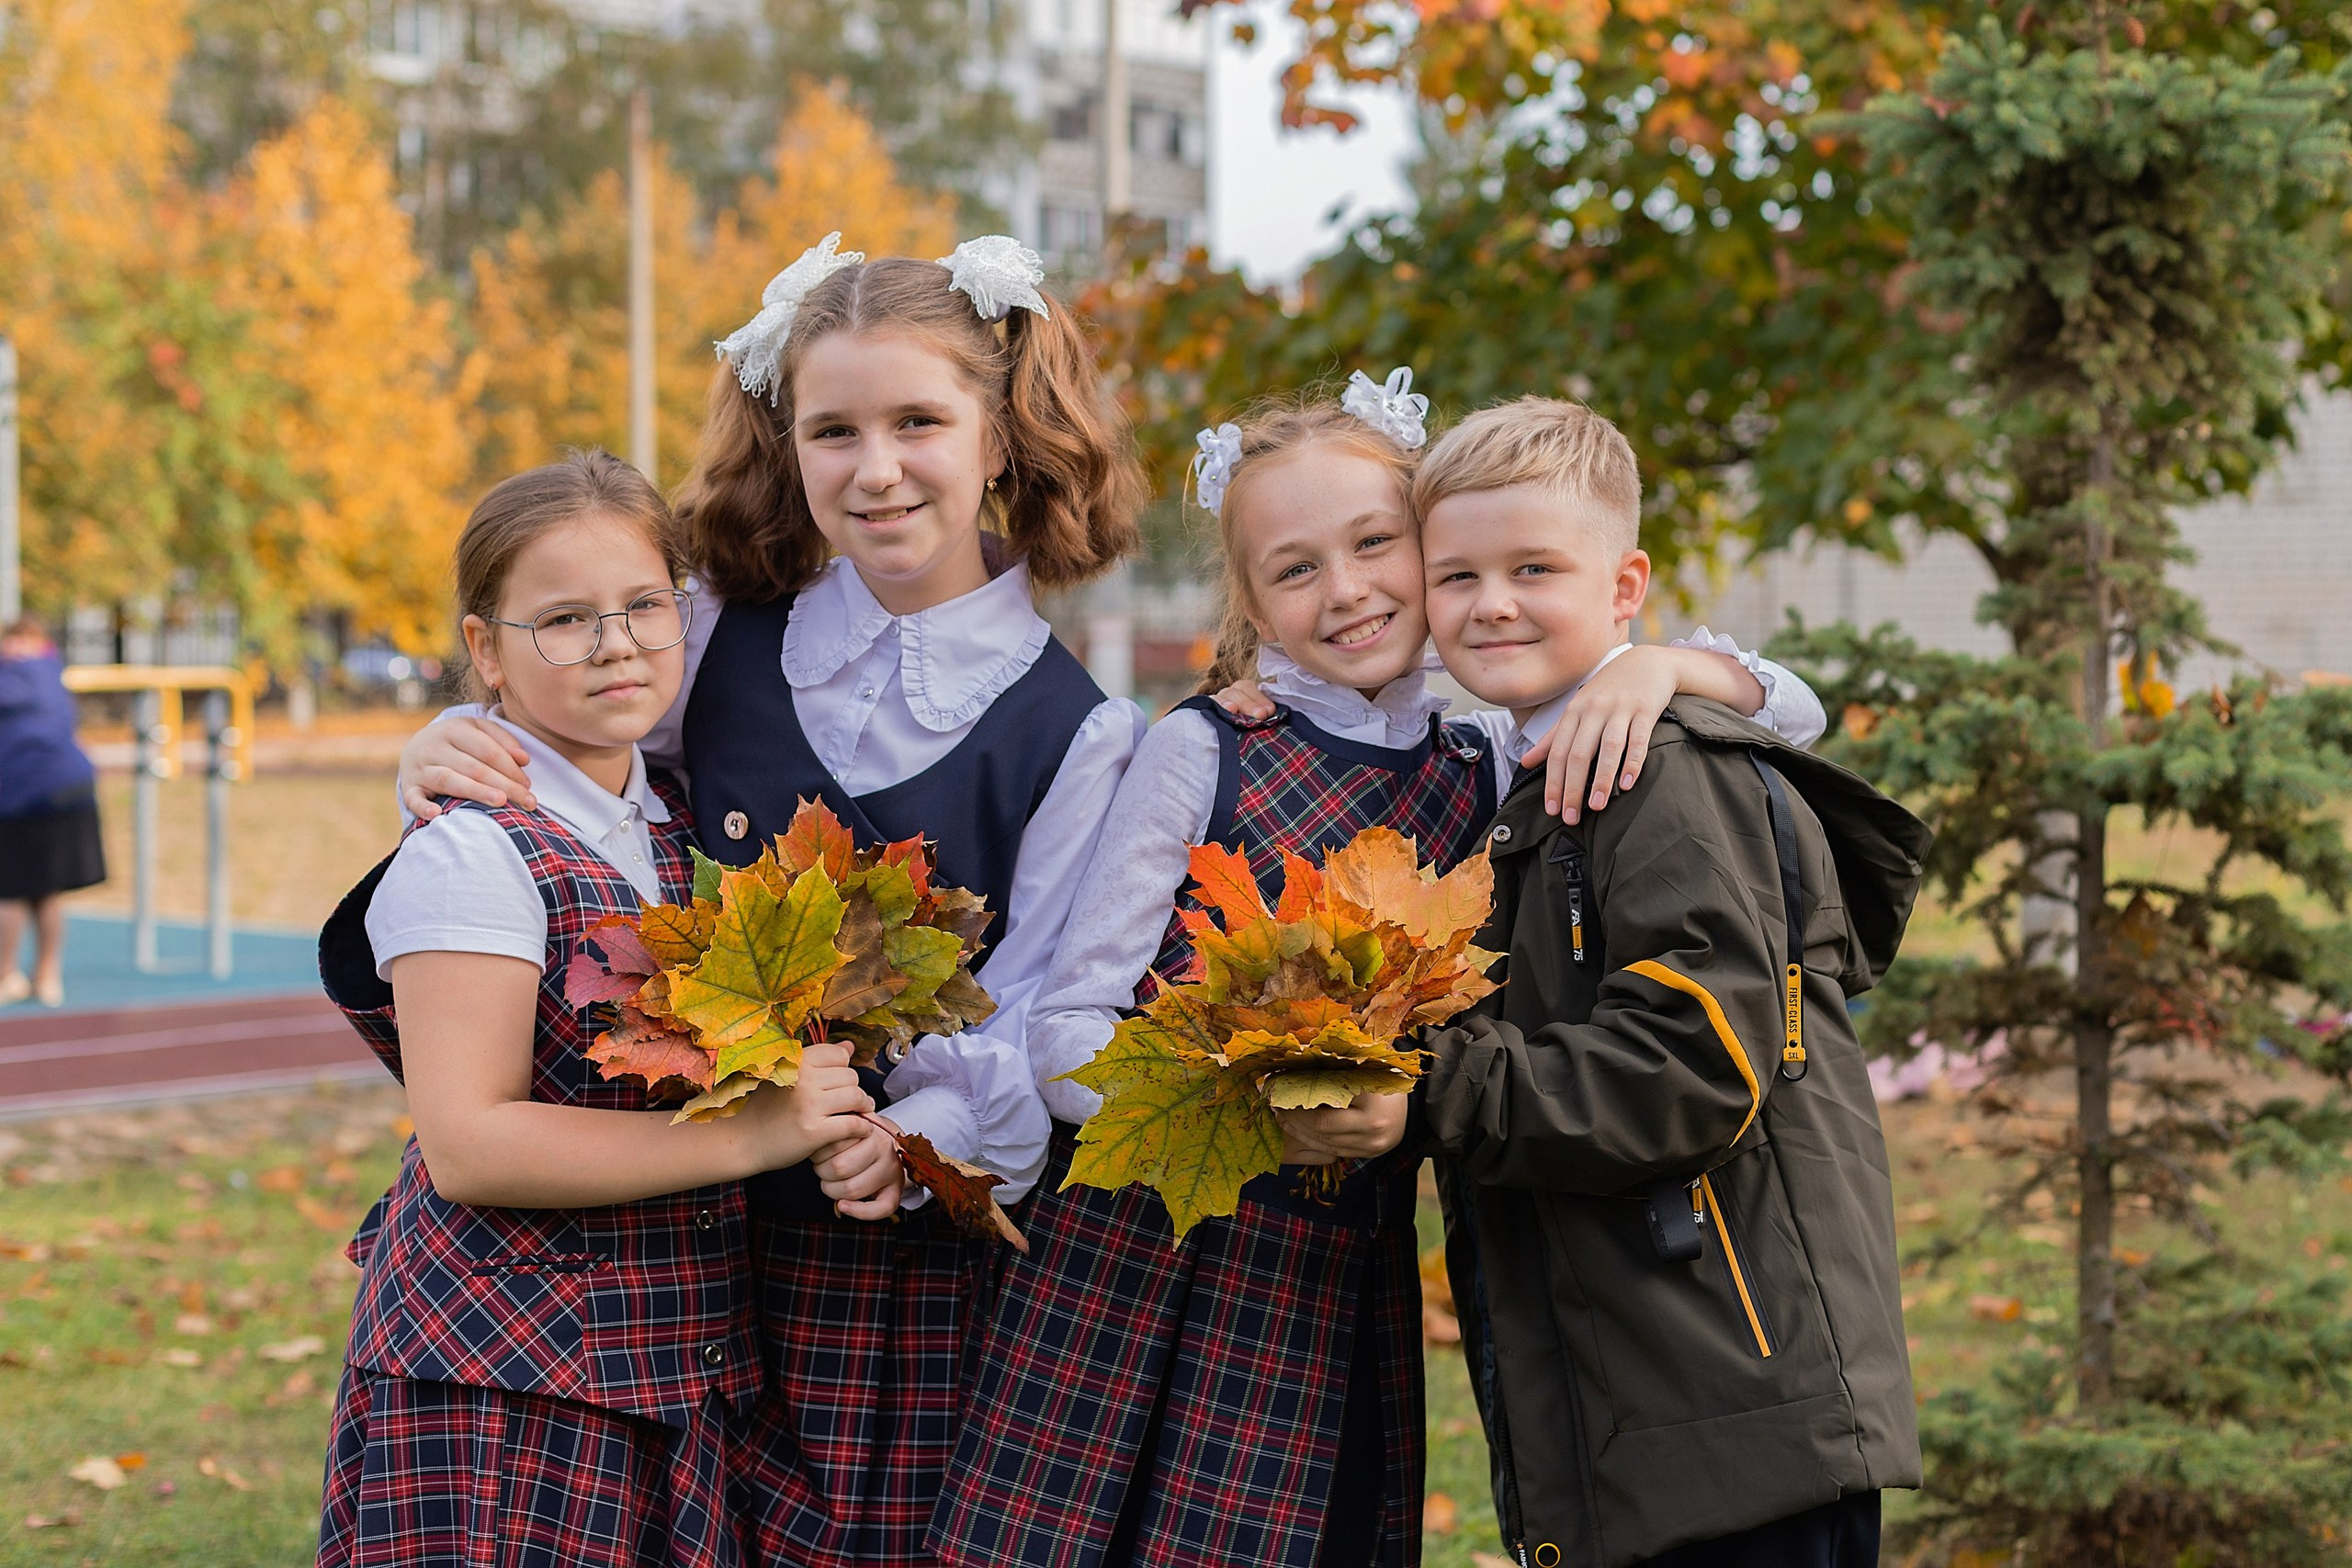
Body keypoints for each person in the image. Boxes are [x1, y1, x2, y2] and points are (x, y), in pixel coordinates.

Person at [932, 375, 1827, 1568]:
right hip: (1141, 1256)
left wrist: (1657, 669)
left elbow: (1802, 712)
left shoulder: (1485, 754)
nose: (1346, 589)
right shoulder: (1204, 749)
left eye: (1376, 545)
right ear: (1249, 597)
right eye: (1295, 569)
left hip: (1331, 1271)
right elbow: (1065, 1029)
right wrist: (1240, 1112)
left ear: (1428, 549)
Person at [387, 234, 1150, 1567]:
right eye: (832, 428)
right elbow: (573, 725)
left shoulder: (1078, 731)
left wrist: (909, 1133)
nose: (876, 467)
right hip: (671, 1252)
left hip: (883, 1265)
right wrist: (449, 736)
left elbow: (1033, 1011)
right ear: (788, 443)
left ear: (1002, 433)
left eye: (920, 420)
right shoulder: (717, 629)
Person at [312, 451, 879, 1568]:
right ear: (484, 649)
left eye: (641, 606)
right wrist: (758, 1136)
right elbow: (471, 1144)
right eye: (562, 620)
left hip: (665, 1363)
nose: (615, 642)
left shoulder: (670, 820)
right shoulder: (475, 849)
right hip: (502, 1382)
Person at [1413, 398, 1929, 1568]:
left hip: (1737, 1402)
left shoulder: (1660, 769)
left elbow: (1687, 1073)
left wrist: (1421, 1086)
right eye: (1457, 577)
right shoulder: (1531, 769)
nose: (1491, 602)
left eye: (1532, 567)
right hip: (1661, 1400)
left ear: (1623, 584)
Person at [0, 616, 105, 1009]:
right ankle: (47, 976)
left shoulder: (12, 679)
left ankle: (8, 974)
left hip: (20, 796)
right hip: (67, 793)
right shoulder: (53, 674)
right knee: (45, 891)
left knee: (9, 890)